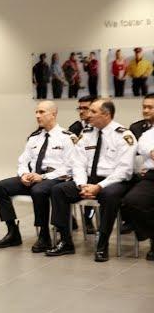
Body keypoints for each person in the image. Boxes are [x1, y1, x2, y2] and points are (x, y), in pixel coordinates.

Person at [46, 99, 136, 261]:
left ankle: (102, 245)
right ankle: (66, 241)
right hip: (87, 181)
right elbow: (77, 162)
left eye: (93, 112)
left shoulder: (123, 135)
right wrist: (81, 184)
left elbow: (125, 171)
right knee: (58, 190)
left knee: (110, 195)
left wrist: (99, 187)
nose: (88, 115)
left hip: (113, 181)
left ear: (106, 114)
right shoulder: (86, 134)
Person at [0, 101, 76, 252]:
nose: (37, 115)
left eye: (42, 112)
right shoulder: (34, 137)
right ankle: (12, 232)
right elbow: (23, 160)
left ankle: (44, 235)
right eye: (36, 112)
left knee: (39, 190)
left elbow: (69, 168)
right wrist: (23, 174)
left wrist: (43, 176)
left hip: (54, 179)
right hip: (33, 178)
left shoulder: (67, 137)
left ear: (53, 114)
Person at [120, 124, 154, 261]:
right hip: (152, 176)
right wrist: (151, 151)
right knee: (133, 200)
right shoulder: (149, 133)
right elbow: (142, 146)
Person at [121, 93, 154, 234]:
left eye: (150, 107)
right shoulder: (141, 130)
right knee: (132, 200)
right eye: (144, 107)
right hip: (148, 174)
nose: (145, 110)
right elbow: (138, 148)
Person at [68, 95, 98, 234]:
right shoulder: (74, 128)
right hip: (77, 169)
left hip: (94, 170)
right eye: (79, 108)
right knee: (58, 185)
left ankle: (88, 219)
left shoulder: (100, 128)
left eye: (85, 108)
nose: (81, 111)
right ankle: (68, 218)